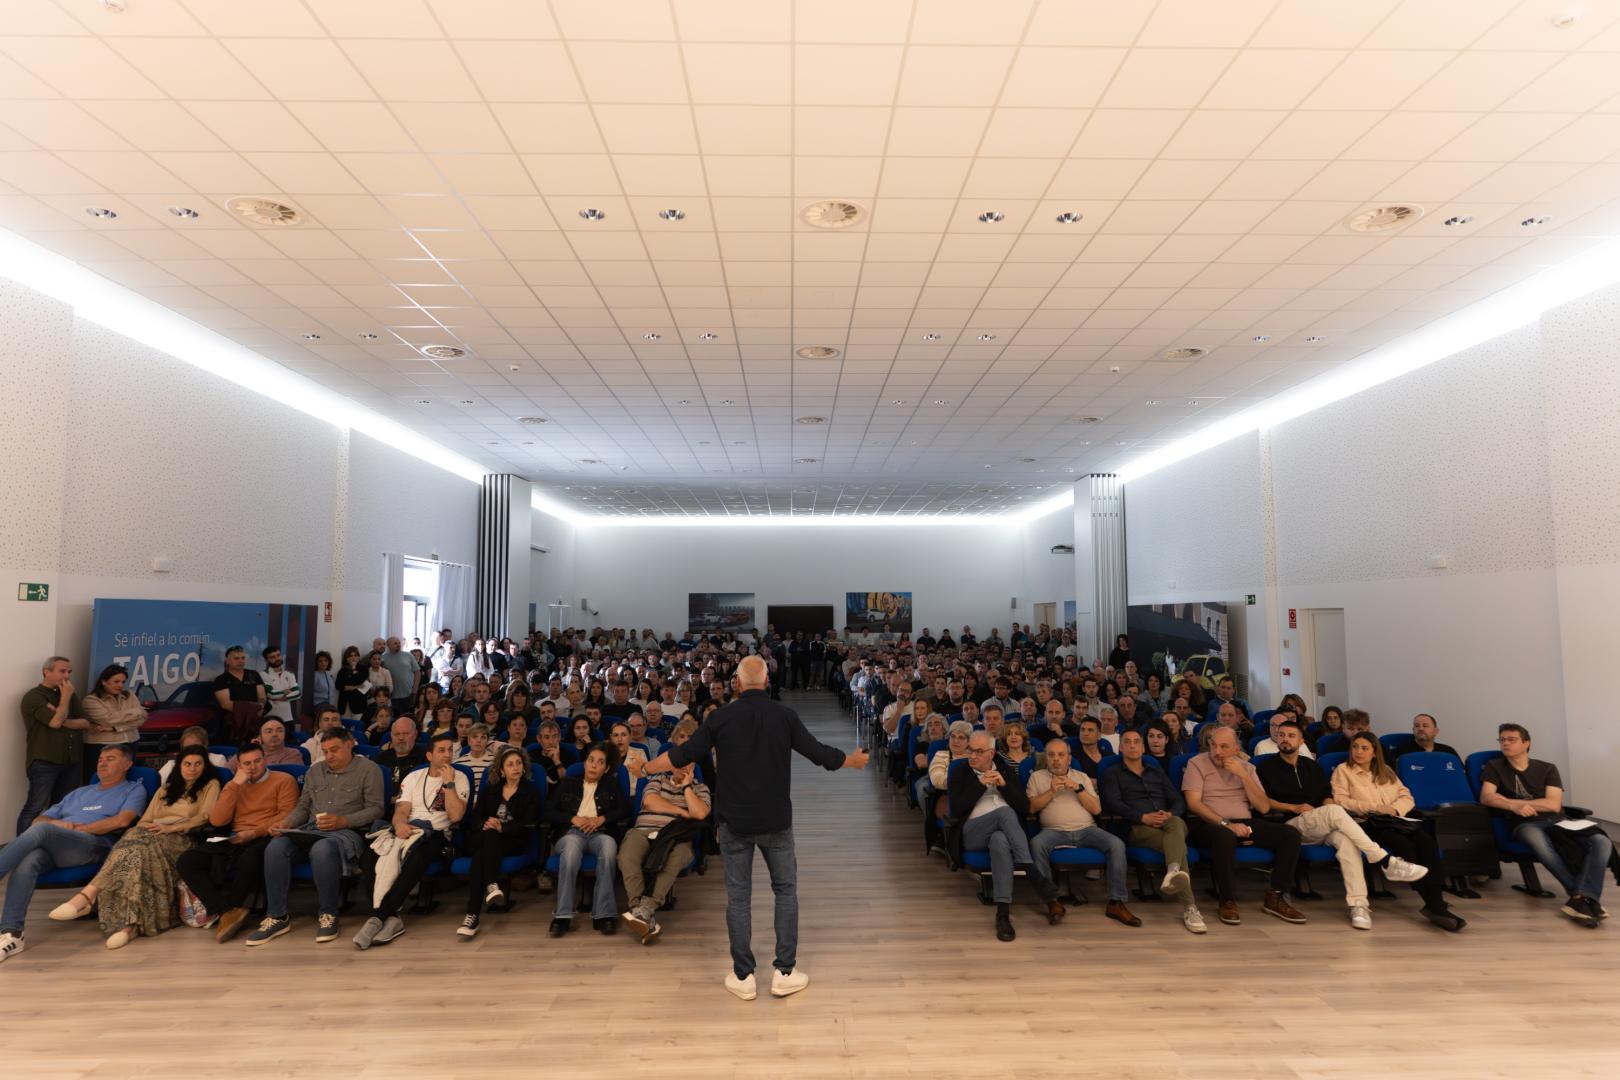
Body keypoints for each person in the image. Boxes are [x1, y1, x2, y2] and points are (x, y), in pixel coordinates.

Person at [643, 654, 867, 1001]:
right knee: (785, 892)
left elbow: (682, 753)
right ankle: (785, 972)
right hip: (776, 821)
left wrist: (645, 768)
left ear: (736, 683)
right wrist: (850, 760)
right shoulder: (784, 715)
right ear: (766, 682)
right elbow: (818, 753)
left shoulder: (721, 718)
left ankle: (743, 976)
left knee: (738, 899)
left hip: (734, 823)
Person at [1256, 720, 1429, 931]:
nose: (1285, 739)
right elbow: (1262, 801)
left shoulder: (1311, 765)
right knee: (1336, 810)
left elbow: (1326, 797)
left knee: (1346, 841)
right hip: (1288, 825)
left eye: (1291, 735)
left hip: (1319, 822)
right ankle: (1384, 860)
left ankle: (1359, 906)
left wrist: (1325, 808)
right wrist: (1293, 807)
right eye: (1281, 735)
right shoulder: (1264, 766)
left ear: (1301, 741)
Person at [50, 746, 220, 948]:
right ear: (179, 766)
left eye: (198, 764)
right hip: (151, 835)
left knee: (133, 847)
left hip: (182, 837)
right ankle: (127, 928)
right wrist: (150, 829)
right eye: (187, 764)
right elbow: (144, 820)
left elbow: (204, 817)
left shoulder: (210, 785)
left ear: (204, 766)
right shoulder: (166, 789)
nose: (192, 769)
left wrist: (171, 827)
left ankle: (87, 896)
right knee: (133, 850)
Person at [0, 744, 148, 963]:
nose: (102, 762)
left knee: (42, 832)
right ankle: (12, 933)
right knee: (29, 860)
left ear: (127, 765)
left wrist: (77, 829)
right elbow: (38, 820)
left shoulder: (134, 789)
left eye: (110, 758)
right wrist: (59, 825)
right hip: (60, 844)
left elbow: (122, 820)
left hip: (95, 845)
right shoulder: (80, 792)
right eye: (100, 758)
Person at [246, 727, 384, 947]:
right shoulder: (315, 770)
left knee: (322, 848)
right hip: (310, 829)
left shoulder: (369, 769)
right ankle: (277, 916)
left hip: (346, 833)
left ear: (350, 744)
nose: (329, 756)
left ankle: (328, 914)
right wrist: (286, 823)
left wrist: (343, 821)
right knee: (275, 846)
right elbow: (302, 808)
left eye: (335, 750)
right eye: (326, 751)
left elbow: (376, 810)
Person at [1478, 723, 1611, 926]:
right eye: (1502, 739)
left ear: (1526, 743)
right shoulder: (1494, 767)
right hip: (1524, 823)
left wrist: (1512, 802)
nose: (1505, 743)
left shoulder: (1547, 768)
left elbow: (1553, 804)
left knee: (1601, 841)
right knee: (1538, 841)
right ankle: (1582, 896)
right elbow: (1487, 797)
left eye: (1511, 739)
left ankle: (1581, 898)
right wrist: (1514, 809)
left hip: (1559, 821)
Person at [1331, 732, 1465, 932]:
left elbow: (1406, 795)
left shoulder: (1385, 771)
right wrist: (1375, 807)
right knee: (1405, 846)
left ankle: (1437, 900)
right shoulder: (1343, 770)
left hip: (1395, 819)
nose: (1358, 752)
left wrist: (1394, 810)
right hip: (1367, 823)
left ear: (1375, 752)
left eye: (1364, 748)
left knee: (1427, 843)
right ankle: (1435, 905)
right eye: (1355, 747)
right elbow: (1340, 801)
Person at [174, 742, 299, 943]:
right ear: (239, 766)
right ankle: (226, 912)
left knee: (249, 859)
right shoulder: (234, 785)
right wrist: (234, 785)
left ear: (265, 760)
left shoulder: (283, 780)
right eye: (246, 763)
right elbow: (217, 820)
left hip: (267, 835)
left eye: (257, 761)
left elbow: (287, 814)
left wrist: (254, 832)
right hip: (235, 836)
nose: (252, 767)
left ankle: (229, 910)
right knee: (187, 861)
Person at [353, 732, 468, 950]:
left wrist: (449, 784)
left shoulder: (459, 778)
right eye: (441, 751)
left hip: (436, 834)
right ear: (429, 755)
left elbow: (456, 817)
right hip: (406, 829)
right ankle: (392, 918)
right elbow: (401, 810)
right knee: (369, 858)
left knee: (417, 858)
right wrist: (400, 826)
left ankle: (377, 917)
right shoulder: (413, 778)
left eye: (450, 751)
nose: (447, 755)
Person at [1182, 727, 1307, 926]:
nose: (1216, 751)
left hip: (1243, 822)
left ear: (1236, 748)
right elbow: (1193, 804)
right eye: (1213, 745)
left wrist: (1243, 774)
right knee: (1225, 836)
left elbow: (1263, 807)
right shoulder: (1196, 763)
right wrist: (1226, 824)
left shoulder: (1247, 768)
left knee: (1290, 835)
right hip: (1208, 823)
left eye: (1223, 747)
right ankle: (1227, 900)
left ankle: (1276, 896)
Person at [949, 731, 1063, 942]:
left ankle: (1002, 914)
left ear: (991, 753)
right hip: (973, 832)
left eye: (978, 751)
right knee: (1004, 813)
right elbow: (955, 809)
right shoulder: (959, 771)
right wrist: (981, 783)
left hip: (1004, 832)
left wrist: (1004, 786)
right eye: (970, 750)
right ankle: (1033, 874)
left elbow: (1024, 807)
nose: (972, 756)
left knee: (1000, 841)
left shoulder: (1006, 770)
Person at [1100, 730, 1205, 933]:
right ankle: (1189, 906)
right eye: (1127, 742)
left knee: (1175, 822)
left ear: (1143, 747)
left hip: (1168, 824)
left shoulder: (1156, 771)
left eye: (1136, 742)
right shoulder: (1111, 773)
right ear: (1120, 747)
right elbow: (1113, 803)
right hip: (1137, 828)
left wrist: (1169, 813)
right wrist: (1143, 817)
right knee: (1179, 846)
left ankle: (1174, 874)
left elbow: (1177, 800)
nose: (1132, 745)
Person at [1027, 739, 1139, 927]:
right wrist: (1051, 791)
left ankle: (1116, 902)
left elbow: (1096, 810)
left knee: (1116, 844)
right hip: (1053, 831)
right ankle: (1052, 902)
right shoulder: (1036, 777)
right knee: (1036, 844)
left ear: (1069, 758)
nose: (1056, 759)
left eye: (1061, 755)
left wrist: (1077, 788)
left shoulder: (1082, 777)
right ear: (1046, 758)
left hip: (1087, 830)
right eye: (1051, 755)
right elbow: (1031, 809)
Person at [618, 755, 712, 944]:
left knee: (677, 857)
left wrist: (686, 787)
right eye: (678, 763)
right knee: (627, 855)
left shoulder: (700, 788)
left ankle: (646, 908)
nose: (682, 767)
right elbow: (650, 802)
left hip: (676, 838)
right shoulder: (657, 780)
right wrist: (683, 812)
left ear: (692, 766)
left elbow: (700, 813)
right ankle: (640, 909)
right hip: (644, 830)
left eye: (686, 763)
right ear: (671, 765)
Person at [545, 744, 631, 938]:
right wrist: (572, 818)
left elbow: (626, 809)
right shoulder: (568, 782)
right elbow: (548, 810)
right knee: (572, 848)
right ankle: (563, 915)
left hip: (600, 833)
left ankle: (604, 914)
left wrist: (602, 819)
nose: (594, 765)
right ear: (584, 763)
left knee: (609, 848)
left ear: (606, 769)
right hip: (571, 833)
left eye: (600, 762)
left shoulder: (611, 785)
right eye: (591, 760)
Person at [458, 746, 541, 938]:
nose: (515, 768)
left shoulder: (530, 792)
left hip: (513, 840)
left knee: (481, 856)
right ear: (502, 770)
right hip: (485, 836)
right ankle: (491, 885)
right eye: (510, 764)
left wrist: (502, 827)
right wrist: (488, 823)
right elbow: (475, 817)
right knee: (490, 836)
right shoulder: (491, 790)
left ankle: (472, 915)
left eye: (519, 763)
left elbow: (530, 823)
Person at [18, 656, 91, 837]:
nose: (67, 676)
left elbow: (85, 723)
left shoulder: (71, 695)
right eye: (62, 671)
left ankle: (51, 847)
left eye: (69, 672)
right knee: (35, 807)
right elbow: (54, 723)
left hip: (71, 760)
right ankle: (20, 850)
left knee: (62, 808)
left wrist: (62, 716)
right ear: (47, 672)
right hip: (44, 761)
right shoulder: (34, 696)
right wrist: (65, 699)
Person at [80, 664, 145, 782]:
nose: (120, 685)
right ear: (104, 682)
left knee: (128, 780)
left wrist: (114, 729)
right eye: (116, 681)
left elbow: (142, 718)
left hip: (131, 743)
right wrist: (135, 712)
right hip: (101, 746)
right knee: (101, 781)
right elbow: (108, 719)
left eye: (123, 682)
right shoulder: (91, 700)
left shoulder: (129, 695)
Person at [212, 645, 267, 740]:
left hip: (255, 724)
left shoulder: (254, 675)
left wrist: (260, 708)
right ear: (227, 661)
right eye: (236, 658)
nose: (240, 661)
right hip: (231, 726)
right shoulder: (221, 680)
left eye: (243, 658)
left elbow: (262, 697)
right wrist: (254, 709)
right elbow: (225, 704)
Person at [375, 716, 428, 794]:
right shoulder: (381, 757)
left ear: (415, 734)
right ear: (391, 736)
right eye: (397, 734)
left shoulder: (427, 756)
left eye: (406, 733)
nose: (401, 738)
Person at [230, 718, 304, 769]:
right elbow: (228, 771)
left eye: (280, 731)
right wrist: (251, 749)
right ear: (260, 736)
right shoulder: (247, 753)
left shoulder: (293, 753)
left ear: (285, 734)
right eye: (269, 731)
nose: (274, 734)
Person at [1389, 713, 1460, 762]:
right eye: (1417, 726)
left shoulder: (1448, 752)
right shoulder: (1400, 752)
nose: (1421, 729)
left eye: (1425, 726)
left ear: (1435, 731)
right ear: (1413, 730)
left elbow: (1461, 774)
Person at [260, 646, 299, 730]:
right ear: (266, 660)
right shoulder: (263, 674)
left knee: (289, 742)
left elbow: (298, 693)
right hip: (270, 717)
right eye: (272, 657)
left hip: (288, 718)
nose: (277, 658)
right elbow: (271, 694)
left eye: (278, 655)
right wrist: (285, 692)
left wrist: (284, 697)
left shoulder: (289, 674)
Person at [381, 635, 419, 719]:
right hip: (393, 696)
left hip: (409, 694)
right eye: (395, 643)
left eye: (399, 643)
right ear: (389, 645)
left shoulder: (408, 655)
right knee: (396, 719)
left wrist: (415, 689)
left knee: (409, 718)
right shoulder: (383, 658)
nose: (398, 645)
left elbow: (417, 672)